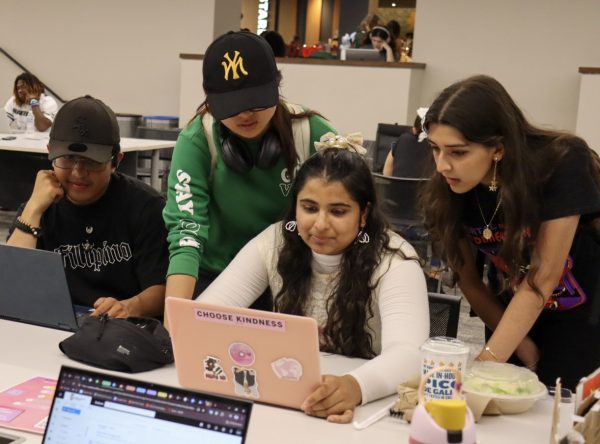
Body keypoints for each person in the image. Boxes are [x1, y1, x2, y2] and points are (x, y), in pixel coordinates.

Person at [198, 136, 429, 423]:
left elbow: (410, 355)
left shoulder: (395, 261)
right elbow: (203, 316)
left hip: (367, 413)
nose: (320, 224)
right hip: (288, 403)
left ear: (364, 213)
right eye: (309, 208)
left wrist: (355, 387)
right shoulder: (276, 241)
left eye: (338, 211)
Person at [420, 75, 600, 390]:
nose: (442, 165)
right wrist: (519, 346)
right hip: (510, 314)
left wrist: (484, 364)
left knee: (564, 406)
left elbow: (544, 275)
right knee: (502, 403)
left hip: (582, 316)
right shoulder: (451, 189)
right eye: (435, 149)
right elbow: (471, 284)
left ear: (498, 149)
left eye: (458, 152)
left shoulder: (562, 161)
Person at [163, 31, 335, 307]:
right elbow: (186, 235)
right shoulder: (198, 140)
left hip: (293, 280)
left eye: (256, 100)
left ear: (277, 86)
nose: (245, 114)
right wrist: (174, 325)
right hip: (216, 278)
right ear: (210, 101)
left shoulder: (312, 134)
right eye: (232, 106)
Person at [7, 95, 169, 318]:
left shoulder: (146, 206)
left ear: (116, 160)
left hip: (122, 329)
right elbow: (11, 285)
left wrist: (131, 306)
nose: (78, 172)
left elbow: (163, 289)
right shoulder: (38, 207)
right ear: (50, 152)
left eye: (92, 162)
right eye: (67, 159)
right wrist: (33, 209)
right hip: (53, 323)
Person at [383, 108, 430, 178]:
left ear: (414, 130)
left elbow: (386, 174)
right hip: (427, 189)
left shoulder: (403, 139)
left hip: (396, 188)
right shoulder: (437, 148)